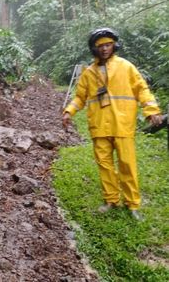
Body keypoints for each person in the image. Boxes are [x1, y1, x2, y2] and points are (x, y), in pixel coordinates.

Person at [62, 27, 163, 221]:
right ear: (94, 49)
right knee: (105, 165)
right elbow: (80, 97)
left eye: (108, 45)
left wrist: (151, 110)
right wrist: (69, 111)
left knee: (127, 164)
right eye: (100, 46)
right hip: (99, 126)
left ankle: (132, 204)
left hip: (122, 124)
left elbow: (142, 89)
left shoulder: (126, 67)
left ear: (114, 45)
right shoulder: (88, 73)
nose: (105, 49)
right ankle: (111, 200)